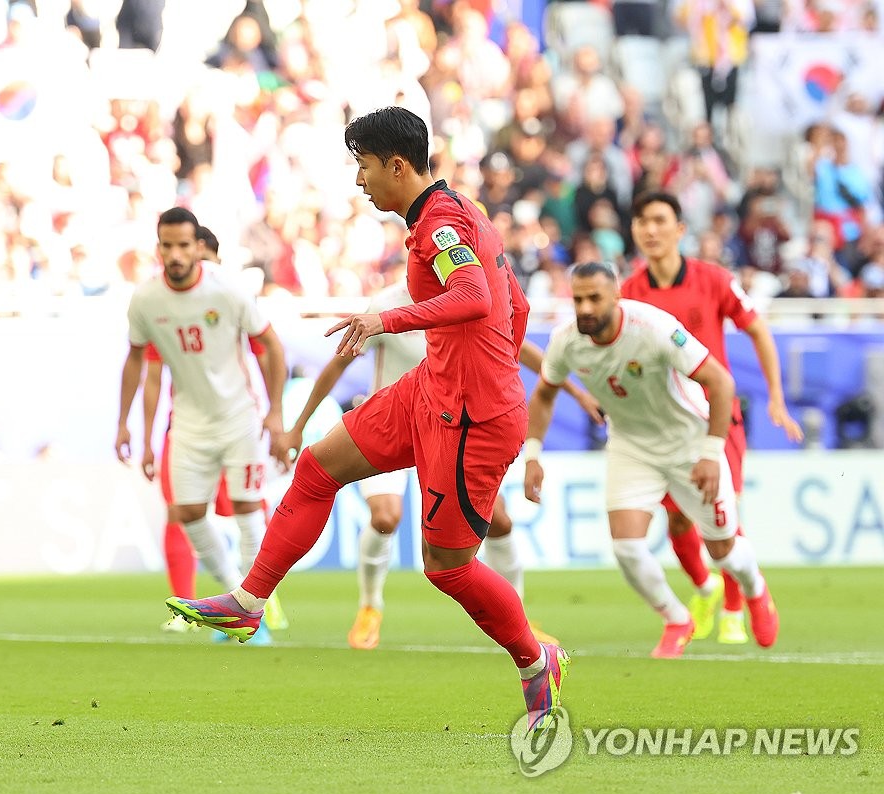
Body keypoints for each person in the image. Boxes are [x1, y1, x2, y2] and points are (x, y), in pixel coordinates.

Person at [166, 106, 569, 732]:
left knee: (448, 567)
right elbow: (511, 305)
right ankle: (249, 602)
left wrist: (388, 321)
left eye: (365, 166)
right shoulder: (456, 213)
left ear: (397, 166)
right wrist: (481, 355)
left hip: (474, 418)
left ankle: (534, 658)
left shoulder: (441, 223)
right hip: (432, 389)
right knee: (316, 468)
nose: (360, 181)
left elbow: (477, 297)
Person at [282, 279, 604, 650]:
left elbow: (525, 353)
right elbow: (337, 366)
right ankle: (370, 607)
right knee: (385, 516)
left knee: (499, 521)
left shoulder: (470, 297)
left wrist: (577, 391)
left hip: (448, 432)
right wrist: (298, 427)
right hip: (392, 423)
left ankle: (520, 616)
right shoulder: (386, 302)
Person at [524, 261, 779, 658]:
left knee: (723, 549)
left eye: (595, 298)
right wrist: (533, 454)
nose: (586, 308)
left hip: (688, 442)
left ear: (617, 296)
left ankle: (755, 590)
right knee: (626, 546)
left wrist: (712, 453)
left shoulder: (655, 328)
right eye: (578, 299)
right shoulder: (566, 340)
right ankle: (676, 618)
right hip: (631, 445)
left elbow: (721, 382)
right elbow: (543, 393)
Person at [624, 191, 803, 645]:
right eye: (642, 221)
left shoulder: (714, 280)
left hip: (716, 419)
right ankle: (706, 590)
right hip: (664, 425)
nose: (650, 230)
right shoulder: (629, 294)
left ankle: (734, 604)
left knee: (721, 516)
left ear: (680, 230)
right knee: (680, 523)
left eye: (660, 220)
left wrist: (776, 397)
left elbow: (757, 329)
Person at [117, 206, 288, 642]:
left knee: (249, 509)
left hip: (238, 418)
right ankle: (234, 602)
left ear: (197, 247)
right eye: (167, 246)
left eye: (183, 245)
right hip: (189, 424)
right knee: (188, 513)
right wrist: (124, 424)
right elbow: (137, 360)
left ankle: (254, 614)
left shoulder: (227, 291)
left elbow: (270, 345)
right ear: (158, 248)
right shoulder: (146, 300)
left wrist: (275, 411)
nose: (175, 254)